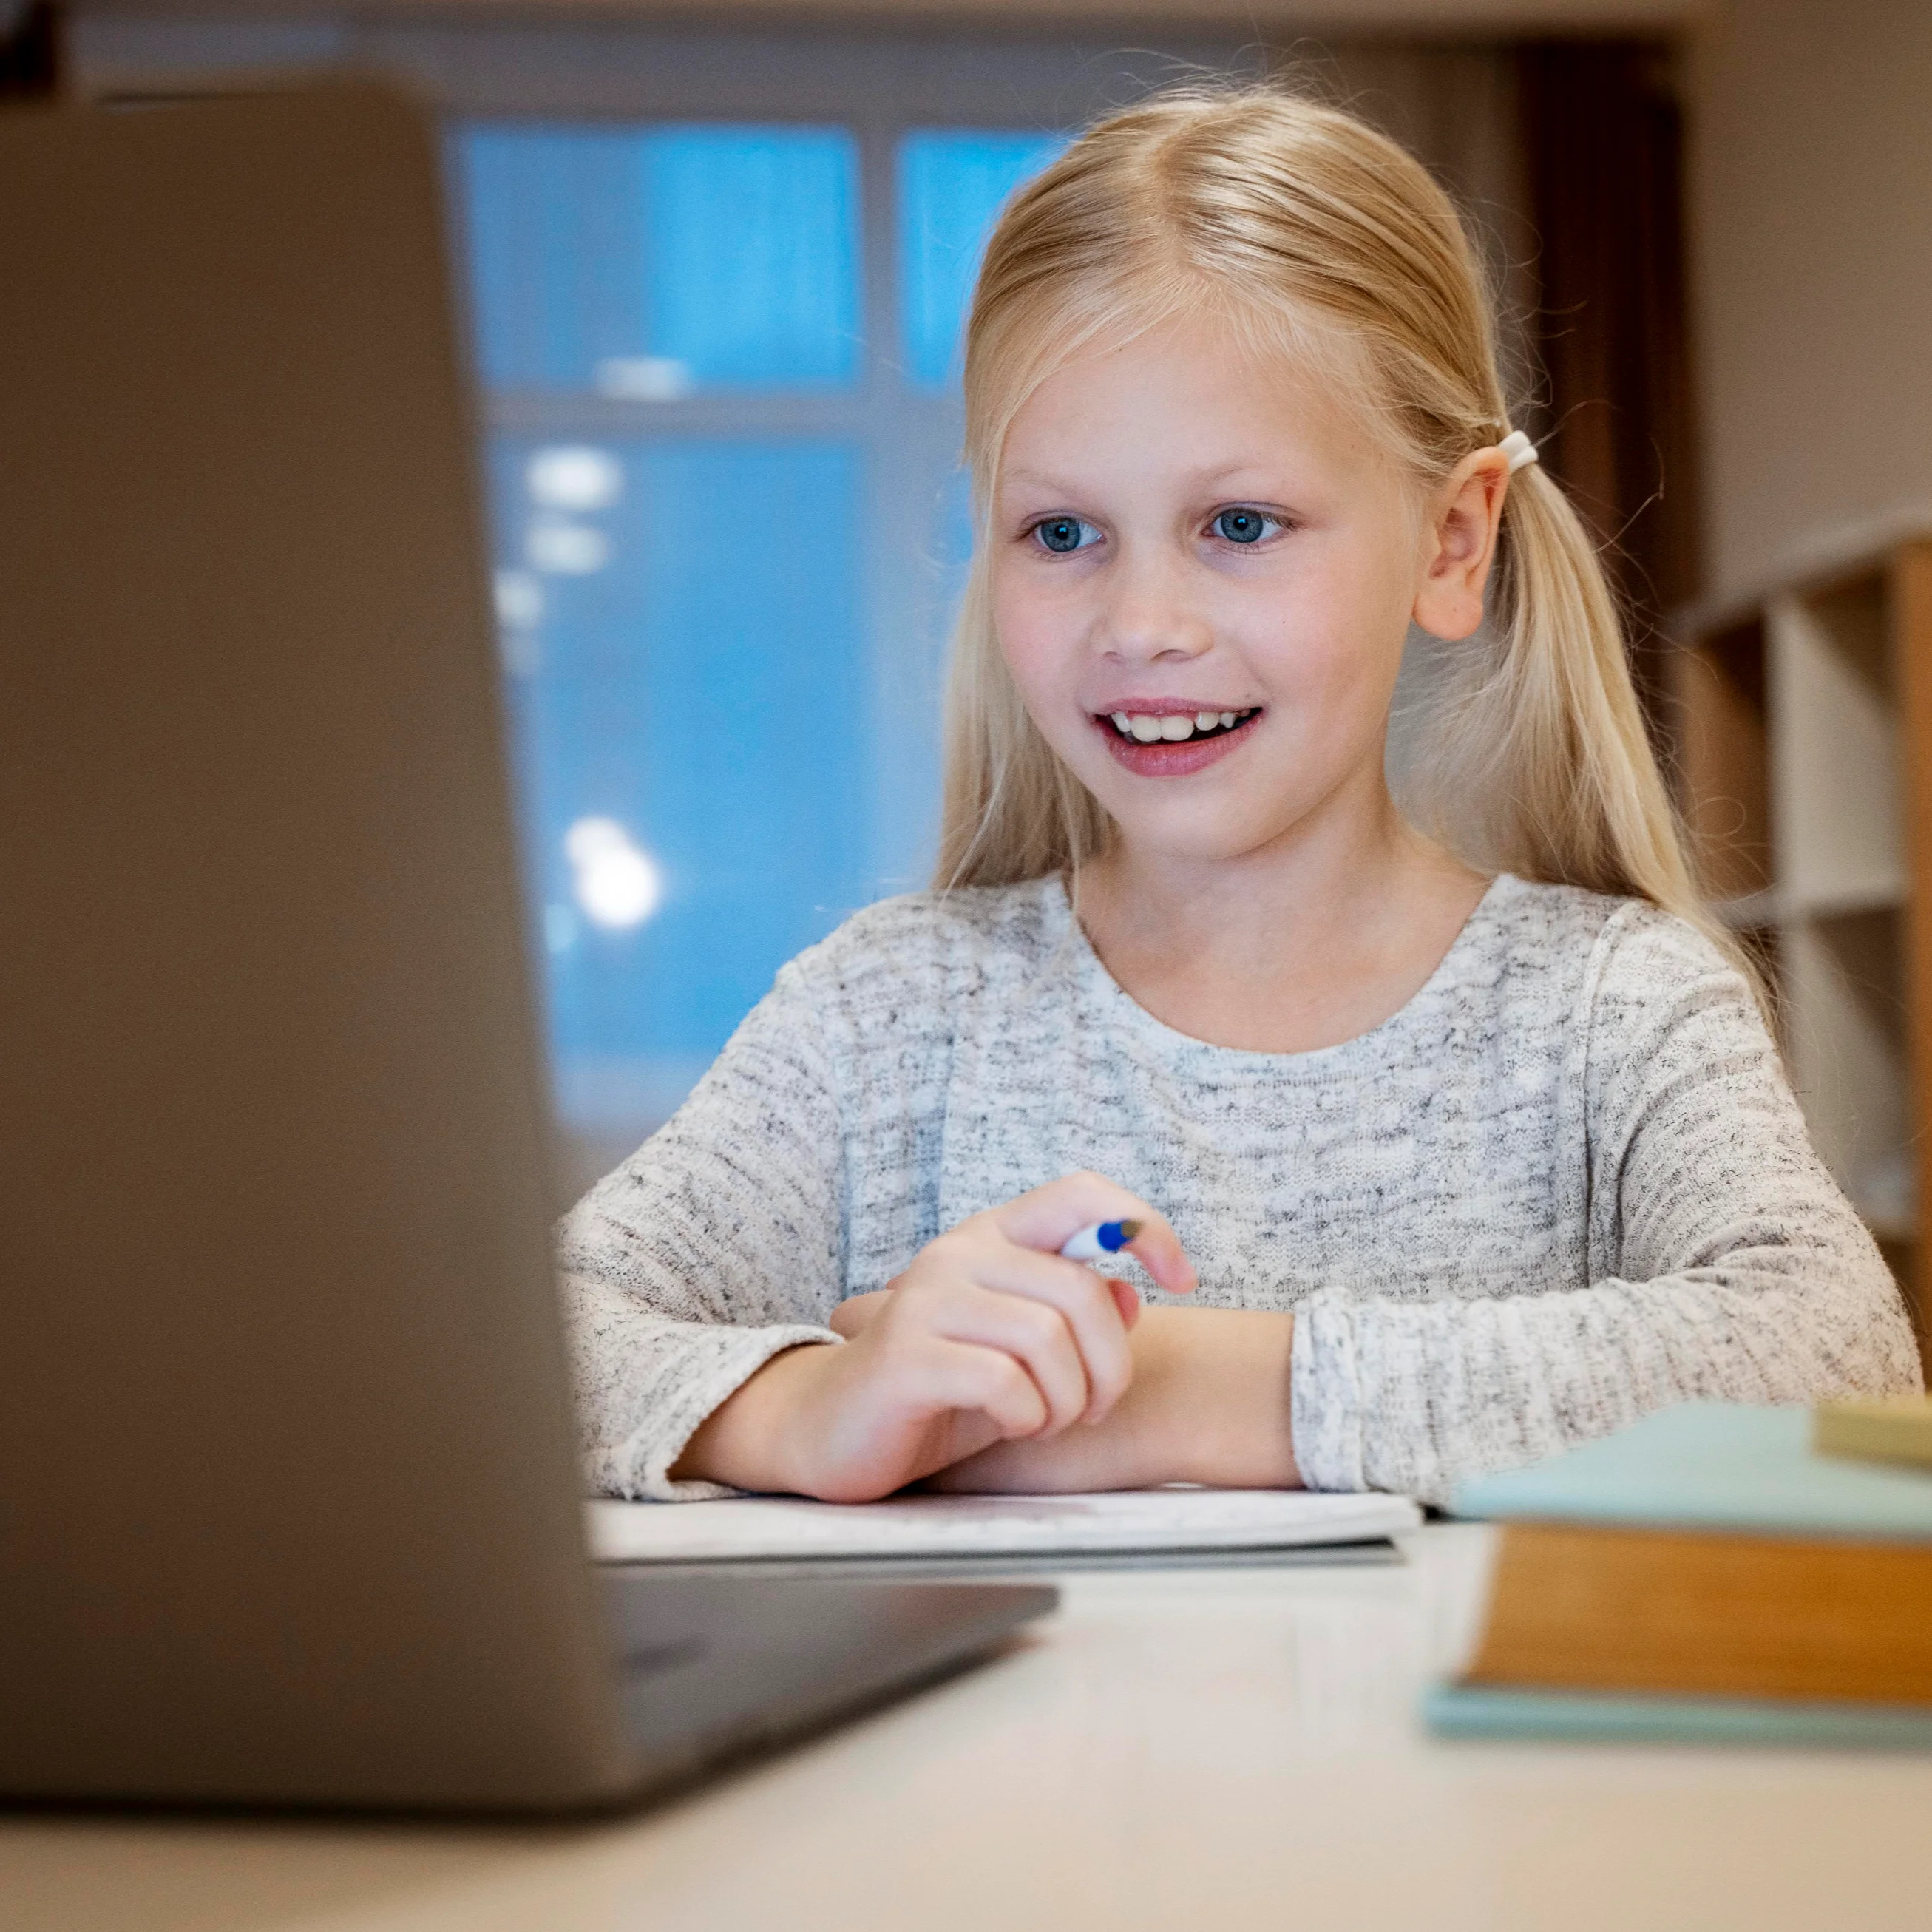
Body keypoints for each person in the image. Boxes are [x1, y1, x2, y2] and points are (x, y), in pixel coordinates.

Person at [557, 86, 1921, 1508]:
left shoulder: (1613, 1011)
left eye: (1240, 525)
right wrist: (806, 1407)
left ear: (1451, 543)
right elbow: (546, 1346)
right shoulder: (888, 1019)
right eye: (1062, 531)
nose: (1142, 620)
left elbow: (1839, 1367)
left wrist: (1174, 1395)